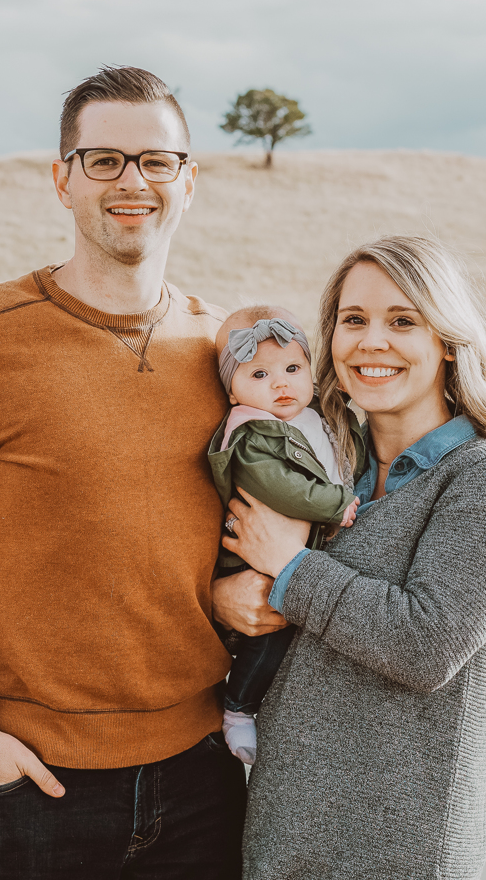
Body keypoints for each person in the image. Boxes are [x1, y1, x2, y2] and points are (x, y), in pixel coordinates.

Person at [0, 66, 246, 879]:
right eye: (103, 160)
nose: (131, 181)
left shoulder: (227, 352)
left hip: (204, 781)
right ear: (62, 179)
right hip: (32, 785)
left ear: (190, 181)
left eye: (156, 161)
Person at [217, 234, 486, 879]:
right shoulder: (332, 471)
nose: (372, 342)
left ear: (447, 342)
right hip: (281, 842)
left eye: (403, 321)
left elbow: (426, 645)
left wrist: (292, 568)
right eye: (353, 320)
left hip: (398, 854)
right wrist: (225, 597)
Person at [204, 306, 360, 763]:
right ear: (232, 393)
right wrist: (335, 505)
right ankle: (238, 709)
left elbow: (348, 452)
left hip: (300, 552)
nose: (281, 383)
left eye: (293, 368)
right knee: (270, 633)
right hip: (253, 562)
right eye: (259, 374)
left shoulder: (320, 419)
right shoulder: (253, 435)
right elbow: (279, 486)